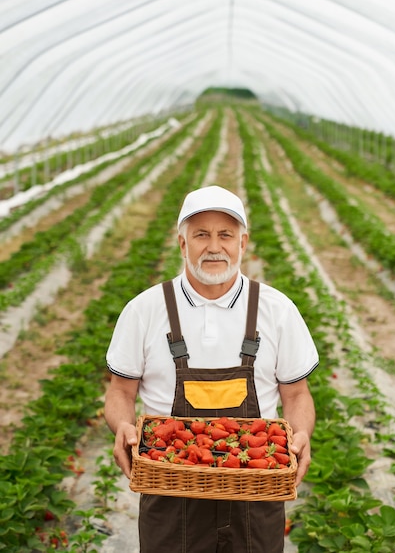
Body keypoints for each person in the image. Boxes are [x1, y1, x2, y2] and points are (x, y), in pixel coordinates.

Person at [104, 184, 319, 553]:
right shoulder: (144, 310)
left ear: (243, 243)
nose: (215, 246)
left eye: (226, 235)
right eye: (201, 234)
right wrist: (122, 426)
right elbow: (121, 391)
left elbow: (296, 393)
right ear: (183, 243)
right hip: (170, 490)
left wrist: (300, 434)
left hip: (256, 487)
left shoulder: (277, 310)